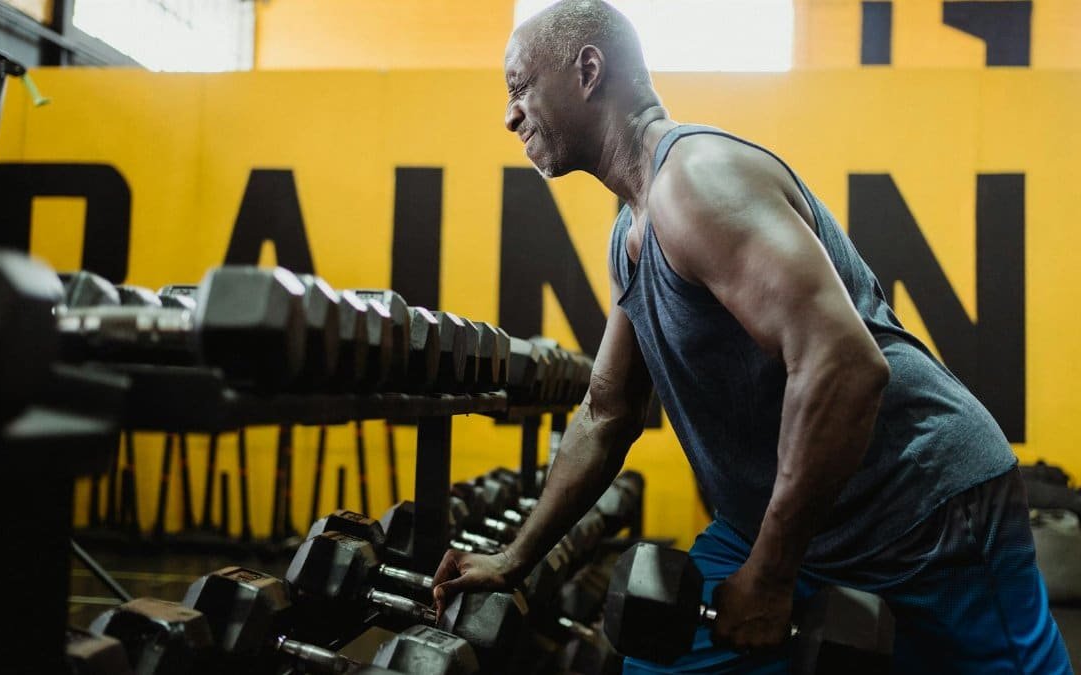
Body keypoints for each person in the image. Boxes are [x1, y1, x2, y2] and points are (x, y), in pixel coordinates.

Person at [431, 1, 1071, 672]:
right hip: (785, 519)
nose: (510, 114)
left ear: (588, 70)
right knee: (657, 660)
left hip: (923, 508)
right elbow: (607, 410)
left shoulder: (697, 184)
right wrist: (515, 557)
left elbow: (845, 366)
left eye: (519, 88)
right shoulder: (633, 233)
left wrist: (768, 575)